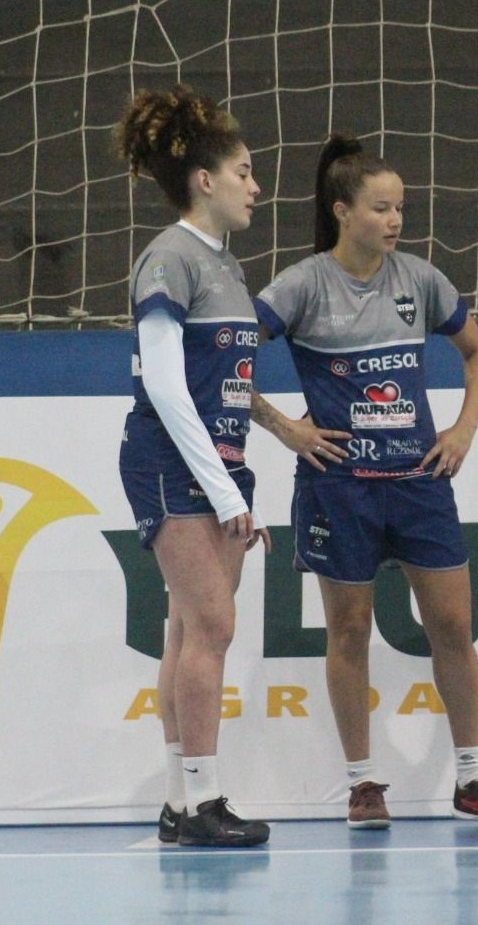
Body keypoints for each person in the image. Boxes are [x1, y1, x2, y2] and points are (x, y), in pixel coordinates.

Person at [249, 133, 478, 830]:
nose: (396, 220)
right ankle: (362, 783)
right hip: (338, 488)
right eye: (381, 208)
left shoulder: (419, 279)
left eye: (400, 207)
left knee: (453, 627)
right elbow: (226, 358)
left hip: (417, 482)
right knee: (348, 632)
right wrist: (286, 427)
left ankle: (471, 778)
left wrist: (462, 430)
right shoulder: (302, 284)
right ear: (342, 211)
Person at [114, 84, 273, 848]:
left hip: (219, 467)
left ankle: (181, 804)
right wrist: (220, 487)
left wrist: (236, 482)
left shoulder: (225, 266)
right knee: (211, 623)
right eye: (244, 170)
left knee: (186, 631)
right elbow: (167, 385)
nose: (255, 185)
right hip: (169, 463)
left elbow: (226, 391)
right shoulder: (169, 257)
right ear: (204, 179)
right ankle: (205, 803)